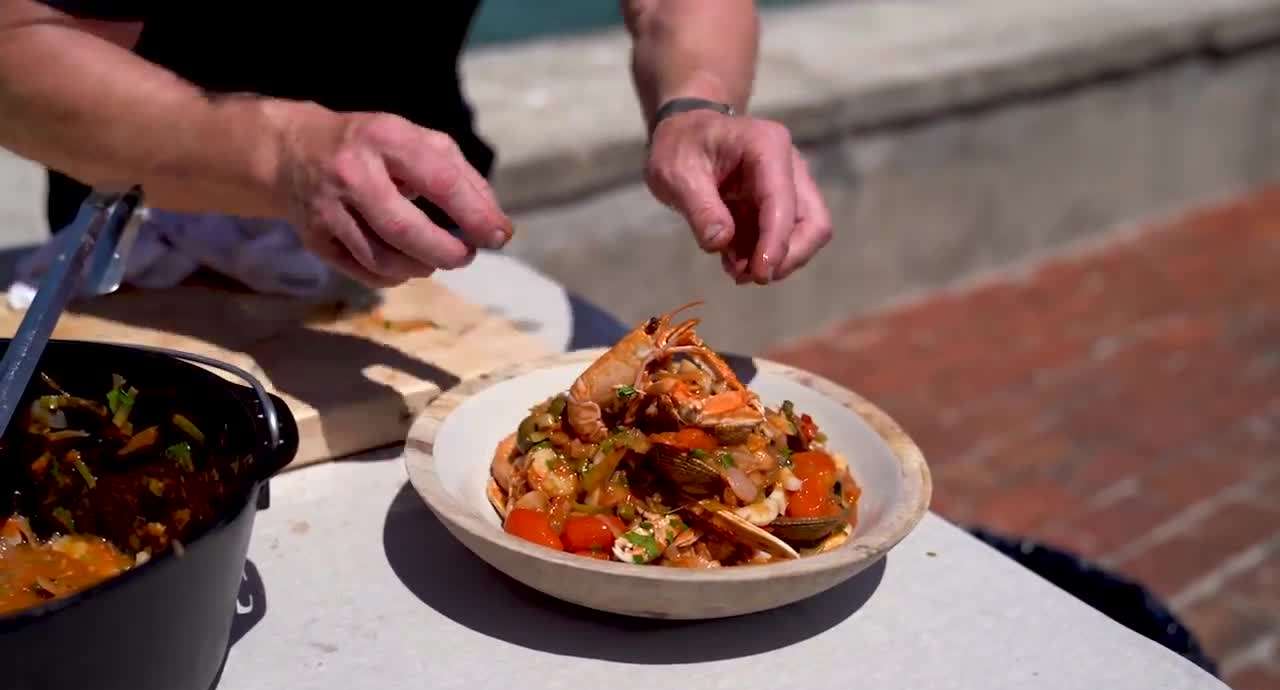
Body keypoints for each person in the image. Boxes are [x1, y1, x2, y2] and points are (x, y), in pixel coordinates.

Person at [0, 1, 832, 291]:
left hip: (430, 246)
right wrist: (285, 154)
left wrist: (693, 105)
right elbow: (19, 48)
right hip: (136, 243)